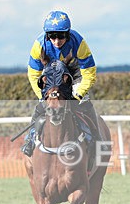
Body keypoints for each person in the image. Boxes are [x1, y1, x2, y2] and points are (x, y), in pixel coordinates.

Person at [21, 10, 100, 157]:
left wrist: (77, 95)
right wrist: (43, 95)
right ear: (47, 35)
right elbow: (33, 74)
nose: (57, 41)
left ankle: (96, 140)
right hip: (50, 78)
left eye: (61, 36)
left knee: (86, 104)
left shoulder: (79, 42)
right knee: (40, 107)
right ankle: (30, 140)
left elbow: (89, 72)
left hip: (73, 75)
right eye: (52, 36)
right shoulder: (39, 45)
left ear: (68, 34)